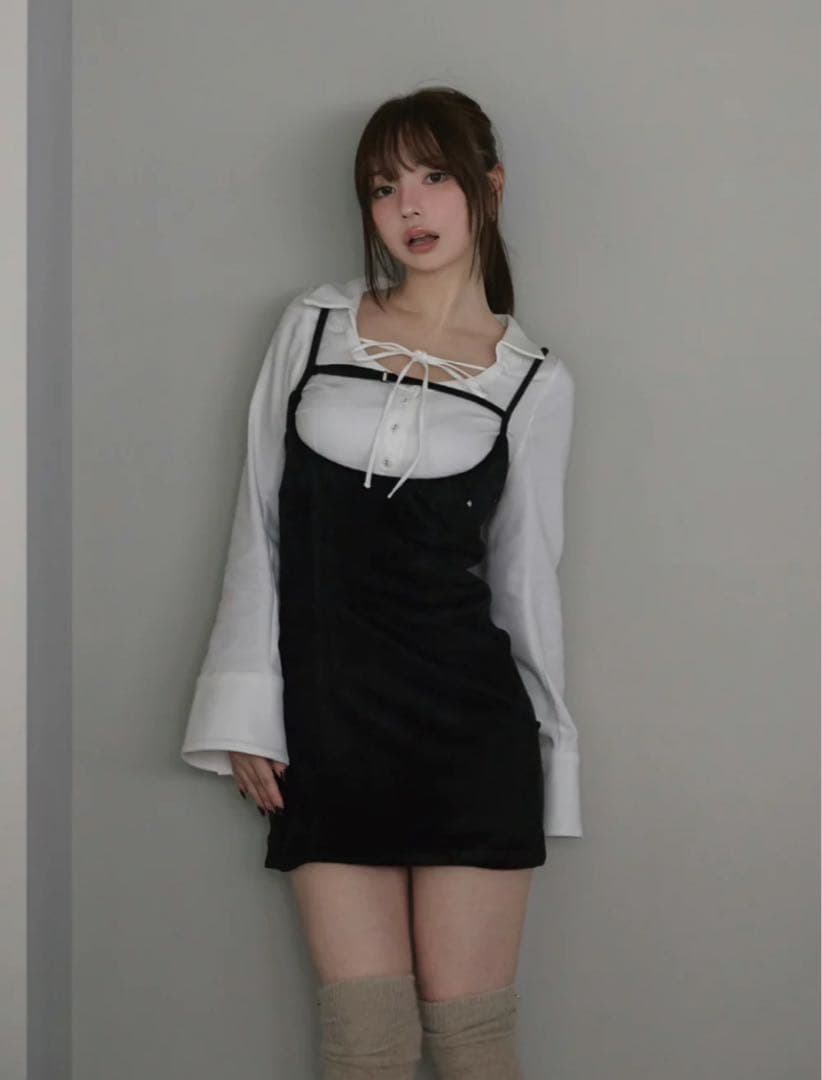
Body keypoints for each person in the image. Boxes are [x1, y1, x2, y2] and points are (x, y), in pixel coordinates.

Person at [181, 86, 582, 1079]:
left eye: (434, 176)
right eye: (382, 186)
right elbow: (259, 523)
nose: (409, 206)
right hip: (330, 727)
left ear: (490, 186)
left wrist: (555, 761)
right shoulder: (314, 327)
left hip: (470, 736)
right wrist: (246, 707)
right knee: (366, 1047)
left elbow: (526, 586)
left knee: (473, 1046)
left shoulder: (534, 382)